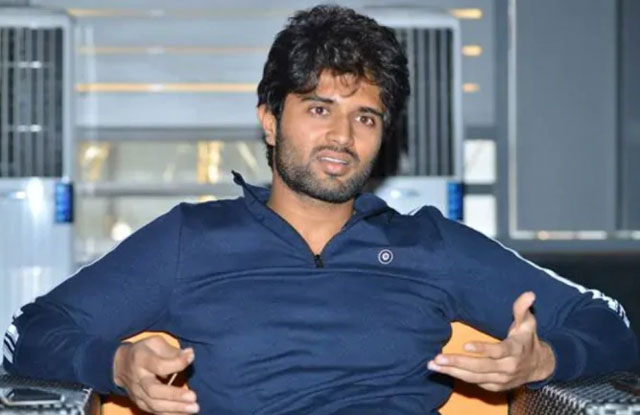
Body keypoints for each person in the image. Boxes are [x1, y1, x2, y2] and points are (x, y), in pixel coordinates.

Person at [3, 4, 638, 415]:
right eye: (318, 108)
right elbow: (33, 331)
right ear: (270, 121)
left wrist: (544, 360)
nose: (342, 136)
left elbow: (609, 325)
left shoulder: (432, 244)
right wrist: (115, 365)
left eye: (366, 117)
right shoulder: (189, 239)